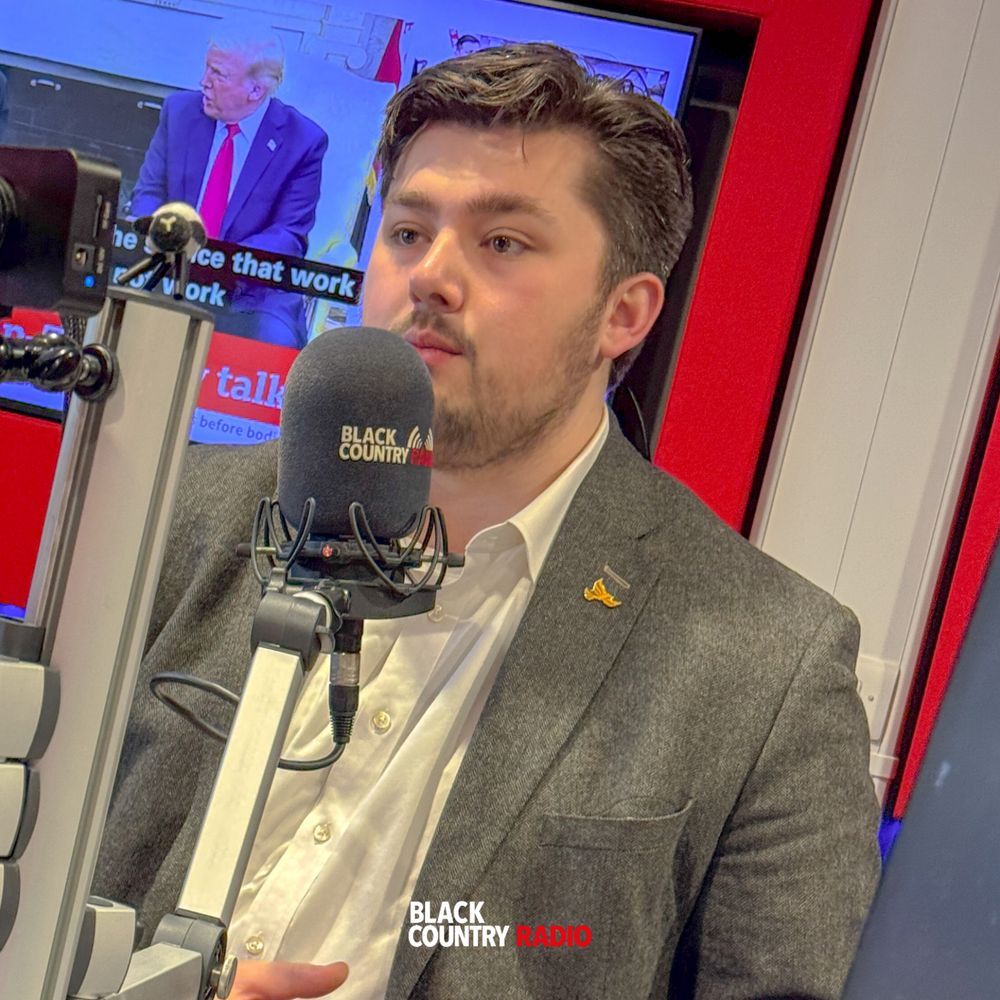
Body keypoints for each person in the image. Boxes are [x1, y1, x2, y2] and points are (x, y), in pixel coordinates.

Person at [95, 43, 880, 1000]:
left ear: (623, 314)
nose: (431, 276)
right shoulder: (179, 512)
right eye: (407, 231)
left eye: (503, 242)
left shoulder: (767, 664)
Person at [130, 23, 328, 348]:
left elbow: (289, 234)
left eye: (218, 74)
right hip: (170, 263)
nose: (203, 82)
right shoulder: (179, 112)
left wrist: (220, 263)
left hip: (252, 287)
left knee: (274, 337)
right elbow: (148, 193)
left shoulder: (303, 141)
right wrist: (160, 236)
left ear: (255, 91)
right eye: (206, 68)